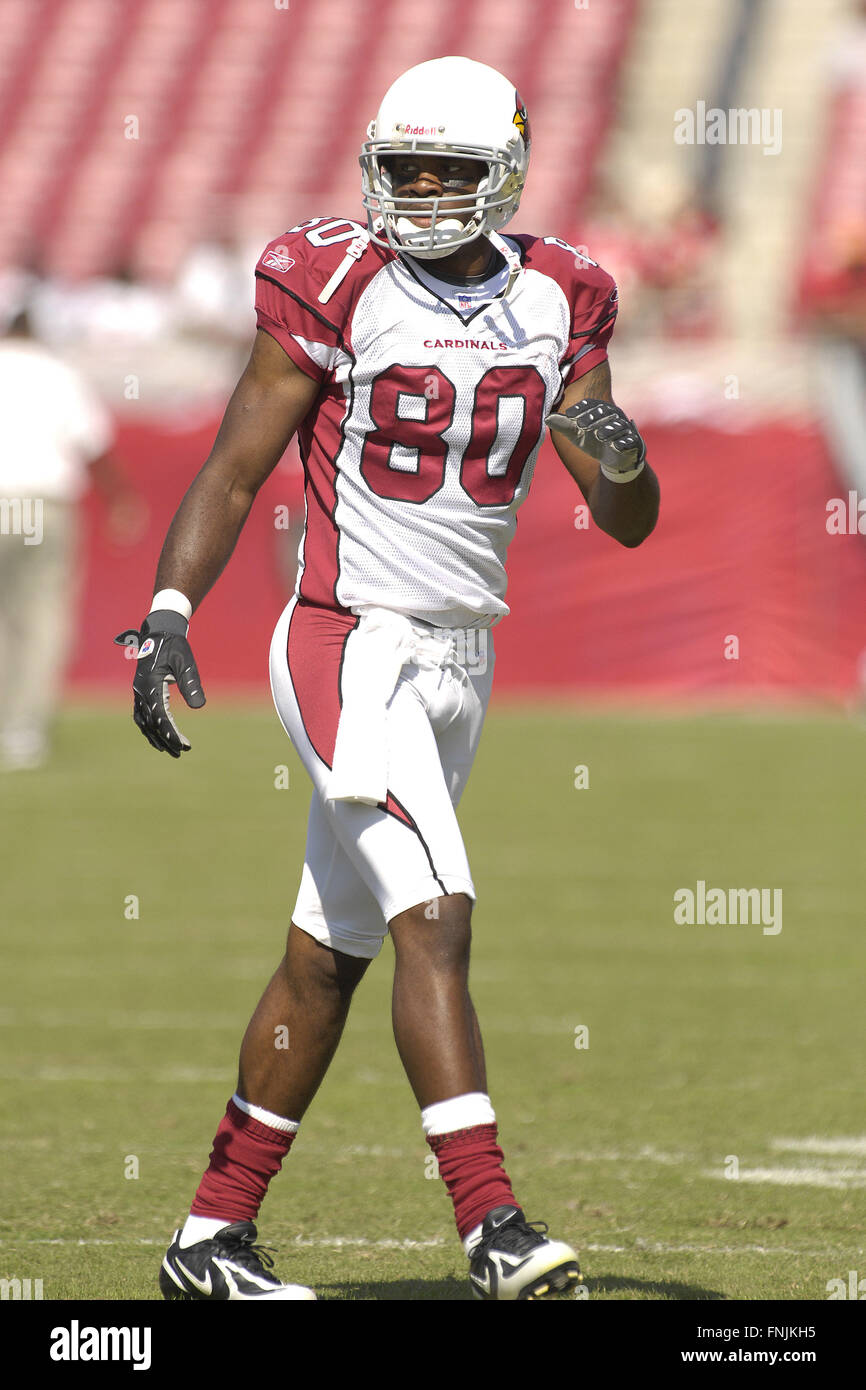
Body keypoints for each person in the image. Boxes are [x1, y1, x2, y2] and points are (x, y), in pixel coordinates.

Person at [118, 56, 659, 1301]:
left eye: (446, 170)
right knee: (438, 911)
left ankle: (207, 1240)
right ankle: (492, 1224)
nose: (418, 192)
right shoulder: (336, 279)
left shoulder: (562, 295)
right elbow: (234, 463)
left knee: (328, 956)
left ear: (504, 173)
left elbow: (622, 514)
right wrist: (165, 609)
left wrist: (619, 454)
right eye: (401, 166)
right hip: (347, 641)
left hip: (461, 657)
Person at [0, 305, 140, 770]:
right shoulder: (59, 374)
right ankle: (22, 731)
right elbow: (94, 446)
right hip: (43, 504)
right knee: (40, 617)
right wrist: (120, 501)